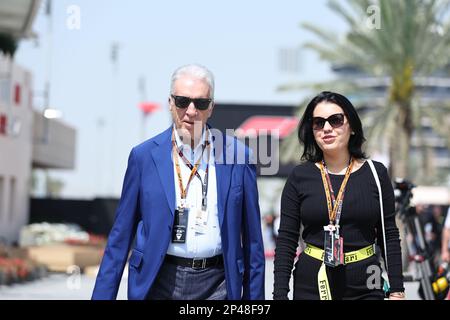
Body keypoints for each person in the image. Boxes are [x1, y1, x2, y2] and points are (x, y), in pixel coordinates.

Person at [92, 64, 265, 300]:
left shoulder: (238, 157)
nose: (191, 111)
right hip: (158, 281)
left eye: (201, 103)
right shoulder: (143, 157)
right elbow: (120, 238)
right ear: (170, 103)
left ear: (211, 108)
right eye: (183, 101)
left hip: (218, 285)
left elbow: (254, 243)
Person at [273, 91, 405, 300]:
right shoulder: (299, 176)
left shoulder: (376, 173)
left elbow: (389, 234)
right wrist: (279, 295)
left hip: (367, 283)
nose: (326, 128)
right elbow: (286, 240)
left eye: (335, 120)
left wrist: (397, 288)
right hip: (312, 282)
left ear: (351, 126)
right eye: (318, 122)